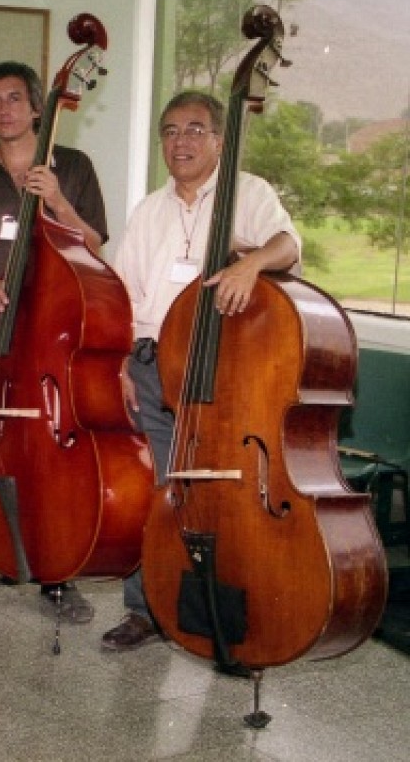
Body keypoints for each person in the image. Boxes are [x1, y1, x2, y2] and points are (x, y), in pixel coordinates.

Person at [102, 90, 302, 651]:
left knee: (222, 494)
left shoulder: (249, 192)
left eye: (194, 130)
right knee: (156, 492)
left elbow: (288, 244)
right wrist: (122, 360)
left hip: (222, 372)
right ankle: (145, 609)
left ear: (219, 140)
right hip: (151, 367)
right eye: (170, 131)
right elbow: (125, 293)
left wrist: (251, 263)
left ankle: (226, 605)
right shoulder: (148, 209)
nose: (180, 141)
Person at [0, 61, 108, 624]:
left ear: (39, 106)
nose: (3, 108)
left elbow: (95, 243)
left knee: (51, 457)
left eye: (14, 98)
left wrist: (58, 200)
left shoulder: (74, 167)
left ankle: (57, 575)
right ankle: (0, 555)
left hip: (55, 334)